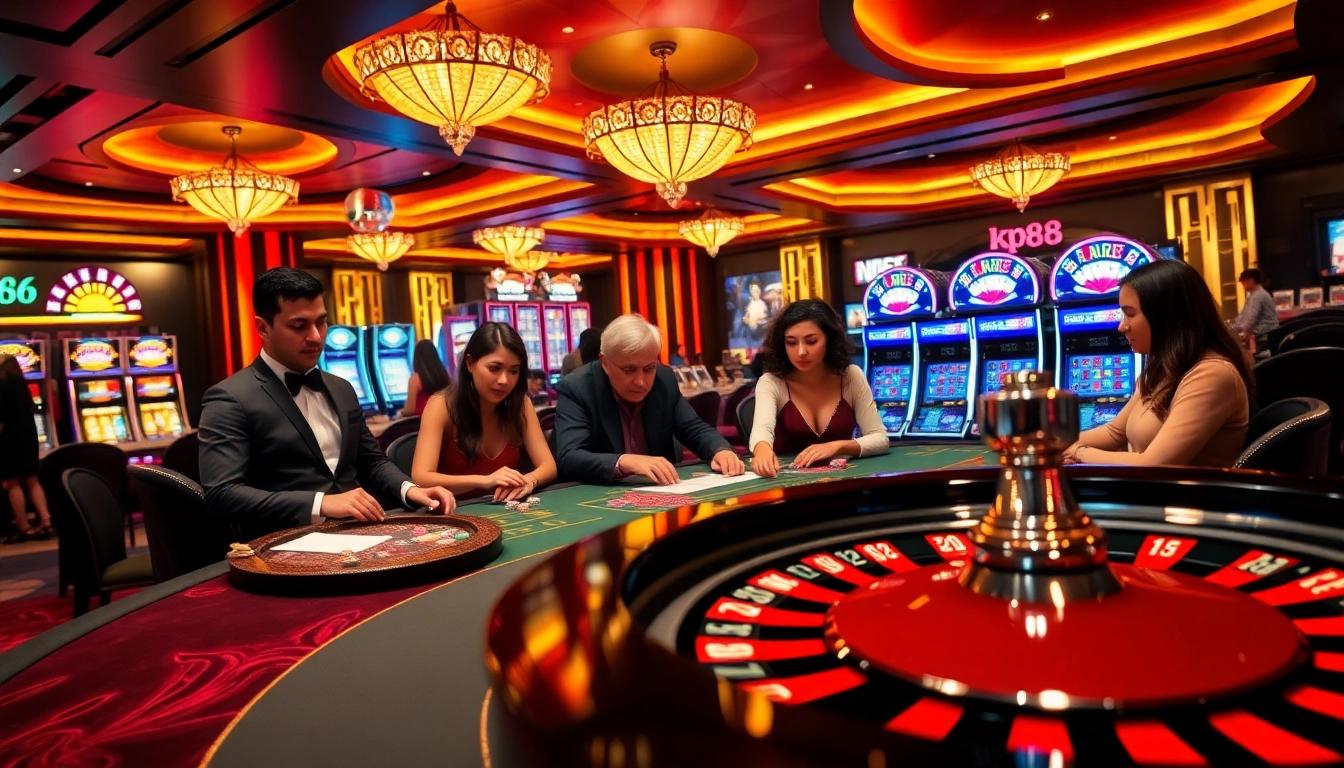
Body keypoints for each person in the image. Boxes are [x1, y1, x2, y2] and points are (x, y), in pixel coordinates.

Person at [199, 268, 456, 540]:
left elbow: (371, 462)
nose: (316, 336)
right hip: (283, 547)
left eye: (321, 322)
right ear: (263, 328)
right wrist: (320, 503)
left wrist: (410, 489)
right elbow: (222, 495)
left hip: (358, 536)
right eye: (299, 326)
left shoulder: (341, 388)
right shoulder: (229, 398)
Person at [1063, 259, 1253, 468]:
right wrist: (1054, 444)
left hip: (1185, 498)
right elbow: (1114, 432)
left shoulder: (1212, 374)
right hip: (1149, 492)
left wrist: (1079, 453)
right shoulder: (1163, 369)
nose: (1121, 326)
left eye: (1130, 314)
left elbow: (1154, 464)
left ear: (1167, 317)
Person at [554, 314, 745, 485]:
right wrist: (625, 461)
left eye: (649, 368)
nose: (641, 381)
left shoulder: (664, 379)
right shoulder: (577, 388)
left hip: (660, 493)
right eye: (629, 369)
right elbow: (570, 456)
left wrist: (720, 450)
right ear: (605, 363)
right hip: (598, 498)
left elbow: (693, 428)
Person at [411, 323, 557, 502]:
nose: (504, 380)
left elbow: (548, 466)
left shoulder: (520, 404)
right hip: (455, 513)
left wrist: (528, 481)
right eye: (495, 368)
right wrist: (485, 481)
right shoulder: (441, 406)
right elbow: (421, 478)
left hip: (506, 510)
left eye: (513, 371)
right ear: (470, 363)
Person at [748, 300, 889, 478]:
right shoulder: (771, 382)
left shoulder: (850, 376)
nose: (801, 352)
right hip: (786, 485)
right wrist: (762, 450)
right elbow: (761, 433)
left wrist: (836, 446)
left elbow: (880, 438)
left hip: (842, 483)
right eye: (791, 343)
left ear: (829, 340)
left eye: (811, 341)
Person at [0, 354, 51, 542]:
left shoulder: (2, 385)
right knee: (31, 480)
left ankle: (24, 526)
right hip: (29, 435)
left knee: (11, 483)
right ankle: (46, 520)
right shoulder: (22, 385)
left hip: (10, 437)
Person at [1233, 268, 1279, 360]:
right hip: (1266, 336)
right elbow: (1243, 317)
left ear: (1251, 280)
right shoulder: (1258, 295)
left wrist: (1234, 329)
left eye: (1243, 281)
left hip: (1262, 338)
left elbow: (1249, 321)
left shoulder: (1257, 296)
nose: (1242, 284)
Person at [400, 339, 450, 417]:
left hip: (422, 422)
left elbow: (409, 410)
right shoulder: (445, 375)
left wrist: (399, 413)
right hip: (444, 419)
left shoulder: (416, 379)